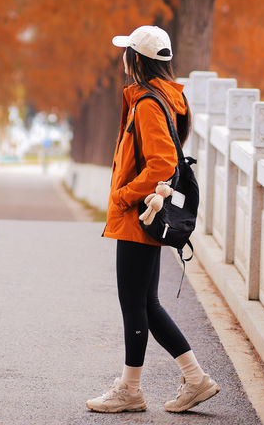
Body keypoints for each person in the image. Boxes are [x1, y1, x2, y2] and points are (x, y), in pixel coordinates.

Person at [86, 24, 220, 414]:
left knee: (136, 302)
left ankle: (134, 389)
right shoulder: (168, 98)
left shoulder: (147, 103)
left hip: (139, 213)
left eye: (127, 52)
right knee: (146, 302)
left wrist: (124, 195)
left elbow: (162, 162)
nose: (123, 59)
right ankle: (191, 379)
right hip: (149, 211)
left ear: (136, 60)